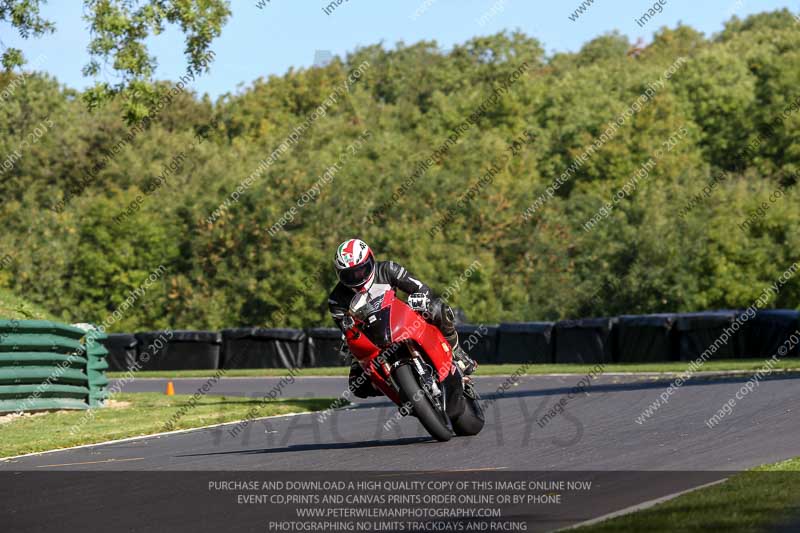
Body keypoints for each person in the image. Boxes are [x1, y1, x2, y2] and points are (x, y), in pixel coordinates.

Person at [328, 238, 477, 398]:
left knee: (437, 308)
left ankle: (456, 351)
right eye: (350, 275)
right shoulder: (336, 299)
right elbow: (346, 331)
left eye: (361, 270)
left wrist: (419, 298)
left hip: (400, 319)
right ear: (340, 275)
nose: (357, 277)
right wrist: (349, 342)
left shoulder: (388, 269)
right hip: (372, 338)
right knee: (357, 385)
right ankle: (400, 389)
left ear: (371, 260)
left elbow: (420, 287)